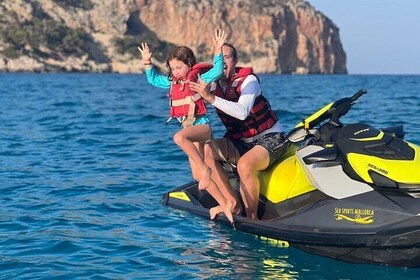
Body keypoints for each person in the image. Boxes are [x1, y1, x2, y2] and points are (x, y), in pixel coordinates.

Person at [138, 31, 234, 224]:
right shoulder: (173, 82)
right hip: (191, 131)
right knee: (197, 176)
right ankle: (225, 203)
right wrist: (148, 63)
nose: (175, 72)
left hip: (202, 128)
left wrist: (217, 50)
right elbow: (154, 80)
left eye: (179, 67)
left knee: (179, 138)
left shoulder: (197, 79)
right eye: (172, 68)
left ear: (189, 64)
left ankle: (207, 170)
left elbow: (216, 71)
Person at [189, 43, 286, 220]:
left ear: (235, 61)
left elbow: (242, 112)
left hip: (271, 138)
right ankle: (231, 203)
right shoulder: (211, 85)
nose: (223, 62)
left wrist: (210, 98)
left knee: (244, 165)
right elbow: (192, 102)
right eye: (219, 58)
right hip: (241, 142)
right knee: (207, 151)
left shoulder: (249, 81)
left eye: (226, 57)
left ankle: (252, 217)